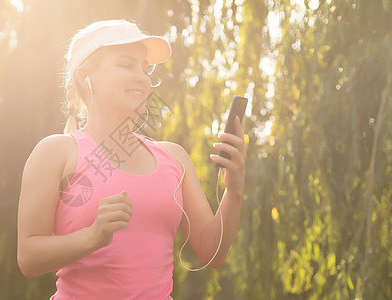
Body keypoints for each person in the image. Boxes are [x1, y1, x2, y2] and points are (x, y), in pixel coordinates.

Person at [17, 19, 246, 299]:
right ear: (86, 77)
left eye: (145, 69)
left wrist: (233, 191)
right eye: (126, 64)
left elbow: (212, 252)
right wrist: (93, 236)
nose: (142, 77)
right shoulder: (57, 152)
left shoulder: (173, 157)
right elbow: (28, 257)